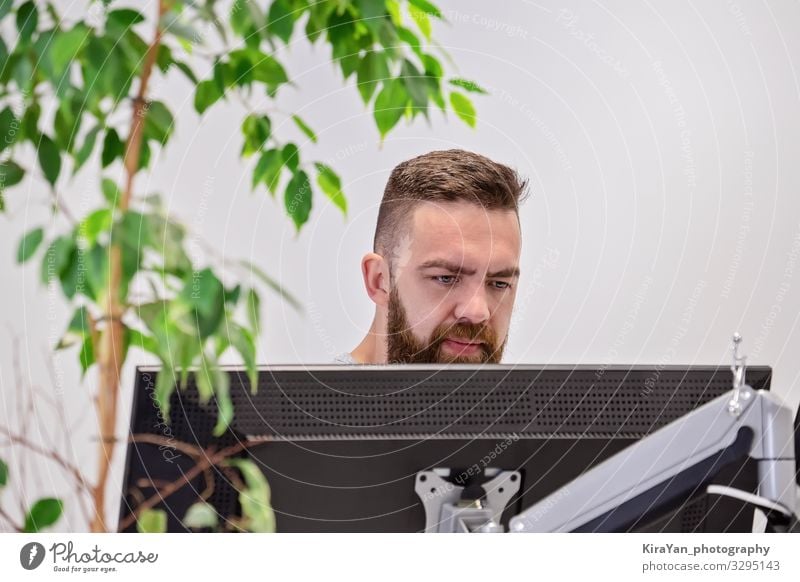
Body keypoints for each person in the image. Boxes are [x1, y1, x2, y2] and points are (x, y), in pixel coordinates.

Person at [335, 149, 528, 364]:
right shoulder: (318, 399)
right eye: (446, 278)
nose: (477, 311)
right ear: (379, 280)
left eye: (499, 284)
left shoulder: (534, 398)